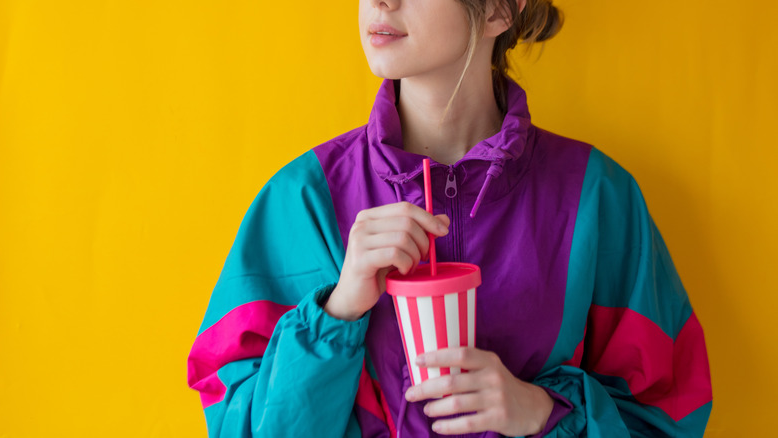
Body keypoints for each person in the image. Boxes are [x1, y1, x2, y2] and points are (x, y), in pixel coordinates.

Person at [187, 0, 713, 436]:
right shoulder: (302, 200)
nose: (379, 2)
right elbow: (242, 426)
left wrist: (541, 414)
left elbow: (668, 415)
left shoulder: (598, 198)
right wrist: (338, 313)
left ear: (500, 12)